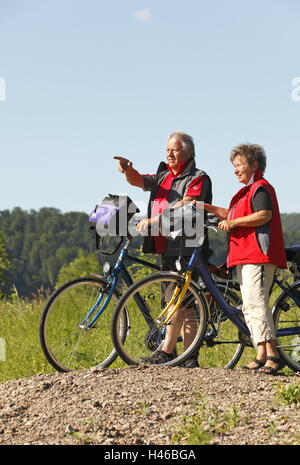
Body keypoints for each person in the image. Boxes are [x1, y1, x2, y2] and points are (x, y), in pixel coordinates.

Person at [114, 131, 212, 367]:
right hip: (165, 245)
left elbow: (187, 209)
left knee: (181, 302)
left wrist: (155, 221)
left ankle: (172, 353)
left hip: (186, 244)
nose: (169, 153)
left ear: (187, 152)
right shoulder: (164, 175)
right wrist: (128, 170)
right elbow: (140, 181)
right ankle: (184, 357)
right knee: (175, 302)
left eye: (174, 149)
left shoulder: (198, 178)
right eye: (167, 149)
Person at [204, 143, 286, 375]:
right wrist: (206, 207)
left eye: (239, 164)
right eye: (234, 165)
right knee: (249, 306)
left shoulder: (261, 188)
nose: (235, 170)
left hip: (257, 254)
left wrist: (233, 223)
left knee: (256, 303)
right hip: (244, 255)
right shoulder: (246, 193)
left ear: (254, 165)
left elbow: (264, 215)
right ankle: (261, 353)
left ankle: (273, 355)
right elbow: (230, 214)